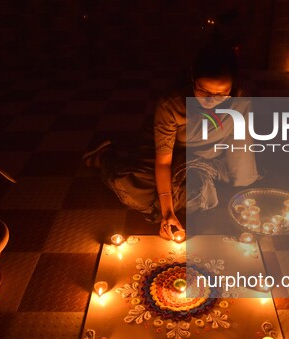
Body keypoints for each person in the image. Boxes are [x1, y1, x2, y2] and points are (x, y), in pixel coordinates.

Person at [84, 43, 260, 240]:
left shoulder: (239, 100)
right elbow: (163, 162)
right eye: (204, 92)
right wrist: (167, 212)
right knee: (131, 187)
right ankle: (106, 157)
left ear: (233, 86)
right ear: (193, 78)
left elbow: (241, 146)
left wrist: (241, 197)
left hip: (203, 161)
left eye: (221, 94)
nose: (211, 100)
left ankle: (177, 198)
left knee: (204, 192)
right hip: (163, 154)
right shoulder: (172, 104)